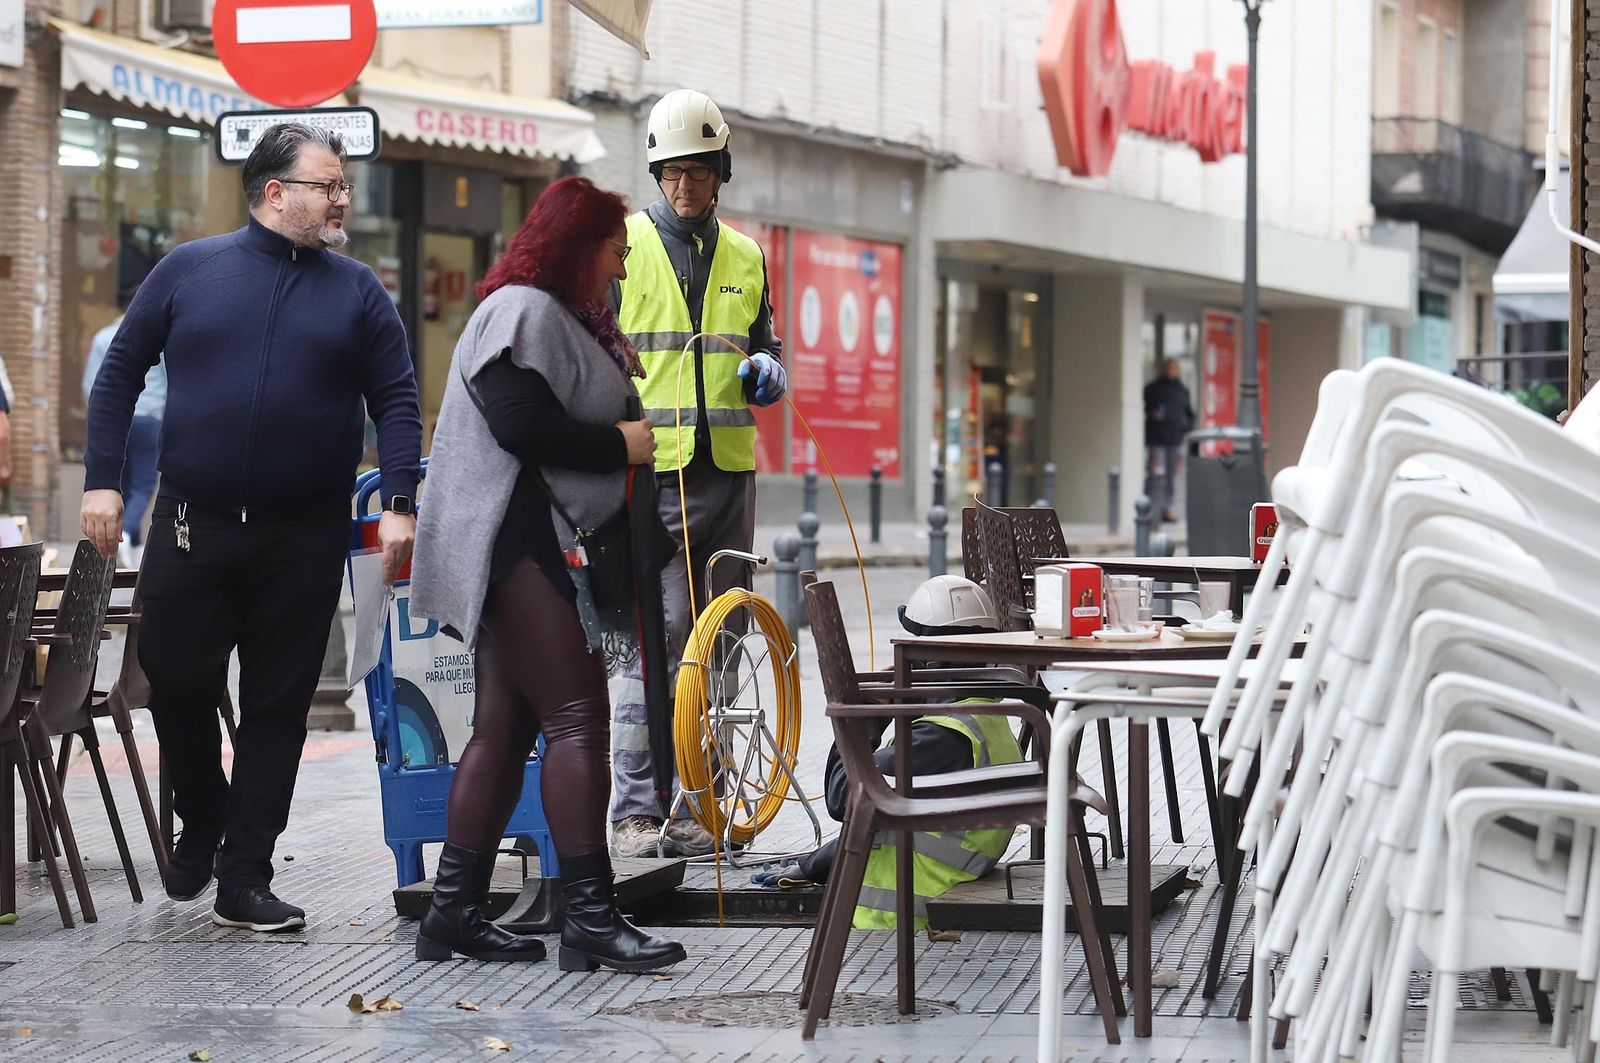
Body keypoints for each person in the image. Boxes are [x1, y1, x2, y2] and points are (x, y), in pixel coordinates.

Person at [81, 123, 421, 933]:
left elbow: (398, 398)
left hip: (302, 536)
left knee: (278, 705)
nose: (342, 197)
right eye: (327, 184)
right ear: (276, 192)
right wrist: (99, 480)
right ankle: (202, 818)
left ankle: (245, 874)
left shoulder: (359, 290)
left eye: (342, 184)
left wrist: (400, 501)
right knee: (175, 678)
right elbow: (120, 373)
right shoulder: (190, 270)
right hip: (192, 529)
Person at [410, 176, 686, 972]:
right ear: (577, 244)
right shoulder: (521, 311)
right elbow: (520, 424)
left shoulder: (555, 315)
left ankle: (454, 911)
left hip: (523, 540)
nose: (624, 268)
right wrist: (623, 447)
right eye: (616, 250)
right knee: (577, 716)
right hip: (514, 540)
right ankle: (591, 918)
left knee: (508, 725)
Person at [608, 88, 787, 858]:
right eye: (672, 173)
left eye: (699, 172)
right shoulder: (622, 244)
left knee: (727, 634)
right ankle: (638, 807)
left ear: (722, 172)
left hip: (728, 471)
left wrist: (769, 370)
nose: (685, 187)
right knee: (667, 634)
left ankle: (702, 800)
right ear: (656, 173)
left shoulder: (747, 254)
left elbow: (767, 341)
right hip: (656, 474)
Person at [788, 576, 1024, 930]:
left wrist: (873, 716)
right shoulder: (986, 722)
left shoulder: (939, 738)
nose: (903, 663)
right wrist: (814, 863)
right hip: (925, 906)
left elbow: (843, 799)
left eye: (912, 651)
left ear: (931, 662)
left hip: (893, 926)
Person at [83, 293, 167, 567]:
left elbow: (92, 385)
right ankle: (128, 534)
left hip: (117, 420)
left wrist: (101, 423)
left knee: (124, 483)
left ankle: (133, 543)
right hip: (148, 417)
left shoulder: (102, 337)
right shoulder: (160, 334)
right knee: (143, 485)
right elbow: (168, 380)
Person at [1143, 357, 1194, 523]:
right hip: (1157, 438)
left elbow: (1188, 413)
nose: (1172, 371)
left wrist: (1185, 428)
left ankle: (1168, 509)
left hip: (1175, 439)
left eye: (1174, 368)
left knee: (1172, 476)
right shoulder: (1154, 388)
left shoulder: (1182, 390)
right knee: (1156, 475)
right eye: (1169, 368)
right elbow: (1147, 408)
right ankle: (1150, 507)